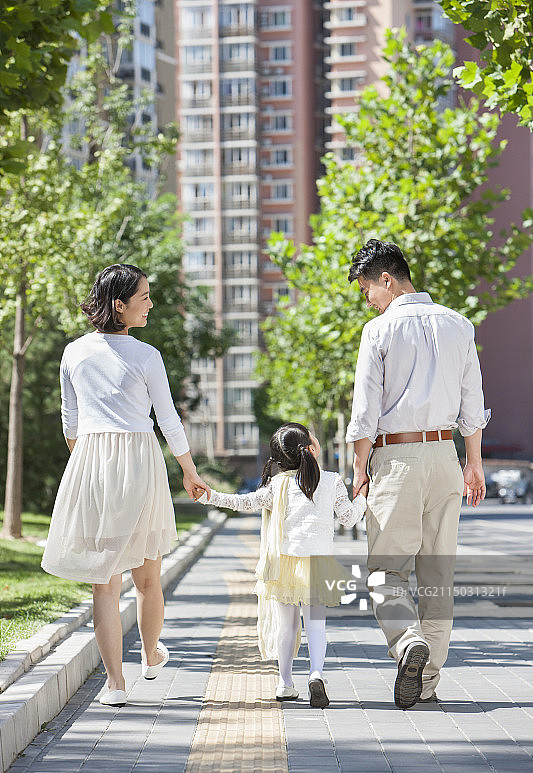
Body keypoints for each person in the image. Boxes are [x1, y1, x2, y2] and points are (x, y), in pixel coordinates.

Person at [41, 264, 208, 707]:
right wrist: (189, 470)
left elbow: (70, 423)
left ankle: (115, 685)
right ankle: (151, 654)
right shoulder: (146, 356)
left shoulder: (73, 353)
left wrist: (89, 464)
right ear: (120, 305)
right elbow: (167, 419)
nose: (151, 304)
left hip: (91, 464)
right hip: (140, 462)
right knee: (148, 578)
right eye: (145, 297)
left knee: (105, 583)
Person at [346, 239, 489, 709]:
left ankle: (408, 642)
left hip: (396, 458)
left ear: (387, 279)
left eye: (368, 289)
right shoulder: (459, 325)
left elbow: (365, 411)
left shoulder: (378, 331)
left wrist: (359, 469)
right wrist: (474, 463)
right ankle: (426, 684)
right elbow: (473, 402)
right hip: (446, 457)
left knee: (386, 569)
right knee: (437, 575)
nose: (367, 299)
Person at [196, 422, 366, 708]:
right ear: (311, 449)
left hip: (285, 565)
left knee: (286, 626)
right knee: (316, 625)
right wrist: (363, 497)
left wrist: (208, 495)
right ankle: (316, 674)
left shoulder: (278, 485)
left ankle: (285, 683)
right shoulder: (332, 481)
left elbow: (243, 502)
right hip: (319, 563)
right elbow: (349, 518)